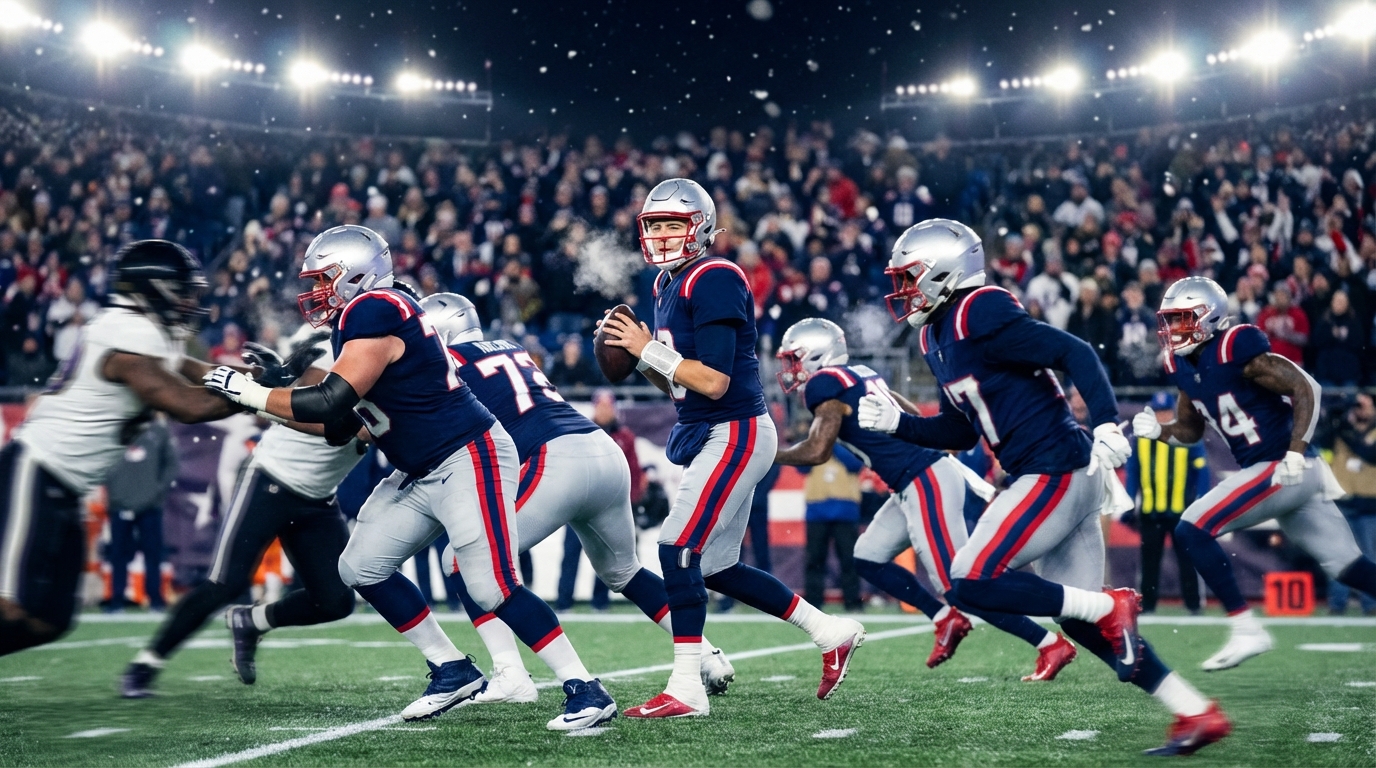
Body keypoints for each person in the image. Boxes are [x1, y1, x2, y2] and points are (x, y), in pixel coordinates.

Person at [201, 226, 615, 730]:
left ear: (358, 274)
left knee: (491, 586)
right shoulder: (360, 322)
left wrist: (248, 393)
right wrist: (273, 393)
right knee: (359, 566)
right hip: (420, 468)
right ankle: (451, 668)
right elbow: (336, 426)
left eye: (324, 278)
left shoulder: (376, 308)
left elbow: (331, 398)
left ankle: (585, 688)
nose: (314, 291)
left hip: (468, 454)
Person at [860, 219, 1229, 756]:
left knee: (969, 580)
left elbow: (1074, 351)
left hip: (1053, 469)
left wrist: (1105, 421)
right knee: (1080, 621)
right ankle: (1195, 710)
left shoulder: (977, 309)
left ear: (945, 271)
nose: (904, 290)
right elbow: (960, 431)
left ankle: (1110, 605)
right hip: (1055, 473)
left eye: (911, 277)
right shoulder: (936, 333)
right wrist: (899, 425)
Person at [599, 178, 865, 718]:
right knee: (716, 565)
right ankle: (830, 630)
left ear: (700, 226)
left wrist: (648, 345)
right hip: (714, 430)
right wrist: (641, 354)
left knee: (676, 549)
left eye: (674, 223)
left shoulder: (715, 274)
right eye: (655, 225)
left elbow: (716, 381)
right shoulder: (666, 286)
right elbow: (679, 384)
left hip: (735, 428)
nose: (663, 235)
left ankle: (687, 688)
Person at [417, 292, 734, 705]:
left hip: (555, 459)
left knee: (461, 561)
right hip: (602, 452)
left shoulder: (447, 363)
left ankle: (510, 673)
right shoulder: (512, 349)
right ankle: (707, 655)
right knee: (624, 572)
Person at [775, 317, 1076, 679]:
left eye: (794, 359)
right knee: (868, 557)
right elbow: (913, 415)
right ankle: (944, 618)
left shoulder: (824, 383)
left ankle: (1049, 643)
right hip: (915, 480)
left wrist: (766, 454)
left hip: (924, 479)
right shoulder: (862, 373)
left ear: (817, 356)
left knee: (965, 586)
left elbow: (817, 450)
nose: (790, 369)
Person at [1, 240, 254, 657]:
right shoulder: (128, 332)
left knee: (49, 620)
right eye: (182, 289)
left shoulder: (145, 331)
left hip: (64, 487)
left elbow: (209, 373)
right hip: (35, 469)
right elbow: (187, 404)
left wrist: (271, 377)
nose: (191, 299)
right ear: (152, 288)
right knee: (9, 607)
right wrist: (258, 395)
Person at [1139, 277, 1376, 667]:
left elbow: (1307, 388)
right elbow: (1192, 431)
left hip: (1284, 466)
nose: (1172, 330)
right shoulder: (1180, 365)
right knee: (1347, 565)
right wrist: (1162, 432)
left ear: (1208, 316)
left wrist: (1295, 452)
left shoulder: (1236, 345)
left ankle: (1246, 629)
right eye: (1170, 320)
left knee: (1191, 527)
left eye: (1181, 319)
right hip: (1279, 473)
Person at [121, 331, 362, 697]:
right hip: (272, 479)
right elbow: (318, 416)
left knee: (336, 600)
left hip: (318, 496)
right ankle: (146, 662)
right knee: (225, 583)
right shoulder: (331, 347)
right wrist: (260, 399)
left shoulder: (392, 362)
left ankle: (250, 621)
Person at [1125, 392, 1206, 615]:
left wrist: (1202, 498)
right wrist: (1129, 501)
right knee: (1149, 562)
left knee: (1188, 560)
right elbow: (1133, 472)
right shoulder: (1141, 437)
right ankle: (1147, 606)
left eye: (1165, 411)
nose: (1161, 416)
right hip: (1151, 511)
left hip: (1182, 511)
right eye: (1158, 411)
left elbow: (1201, 470)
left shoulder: (1186, 436)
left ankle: (1194, 606)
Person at [104, 413, 179, 613]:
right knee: (118, 554)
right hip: (120, 504)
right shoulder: (115, 428)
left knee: (152, 554)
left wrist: (157, 491)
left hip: (150, 505)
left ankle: (155, 598)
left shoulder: (159, 431)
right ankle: (116, 599)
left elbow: (171, 464)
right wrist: (114, 490)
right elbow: (103, 460)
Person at [1327, 393, 1376, 615]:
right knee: (1337, 554)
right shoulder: (1340, 429)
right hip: (1343, 500)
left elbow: (1369, 453)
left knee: (1370, 554)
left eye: (1364, 405)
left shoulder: (1360, 433)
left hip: (1369, 503)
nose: (1360, 410)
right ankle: (1337, 604)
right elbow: (1322, 438)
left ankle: (1371, 603)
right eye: (1357, 406)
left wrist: (1346, 431)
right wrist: (1340, 414)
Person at [800, 449, 864, 611]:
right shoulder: (815, 439)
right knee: (814, 559)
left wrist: (832, 442)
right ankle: (813, 602)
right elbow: (802, 467)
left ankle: (852, 601)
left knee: (849, 559)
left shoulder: (850, 441)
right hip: (817, 510)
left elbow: (856, 465)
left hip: (845, 510)